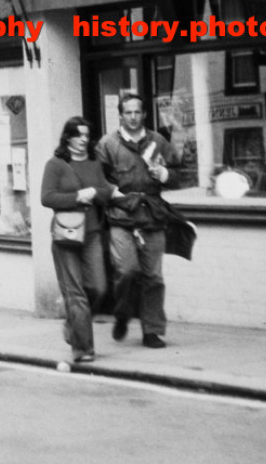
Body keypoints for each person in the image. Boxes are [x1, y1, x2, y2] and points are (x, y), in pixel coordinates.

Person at [95, 93, 175, 348]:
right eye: (128, 112)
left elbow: (177, 174)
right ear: (120, 115)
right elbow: (97, 179)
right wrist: (113, 192)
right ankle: (122, 313)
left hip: (152, 214)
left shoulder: (158, 141)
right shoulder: (107, 144)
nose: (133, 117)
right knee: (127, 270)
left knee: (154, 276)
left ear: (144, 114)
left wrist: (164, 173)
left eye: (137, 112)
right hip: (121, 215)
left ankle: (152, 331)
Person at [41, 116, 118, 364]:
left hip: (93, 234)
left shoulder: (94, 164)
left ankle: (73, 324)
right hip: (67, 236)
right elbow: (47, 198)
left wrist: (96, 193)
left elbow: (107, 191)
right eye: (79, 135)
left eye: (87, 136)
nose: (84, 140)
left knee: (99, 287)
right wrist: (77, 197)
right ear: (68, 137)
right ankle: (83, 348)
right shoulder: (56, 164)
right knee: (76, 294)